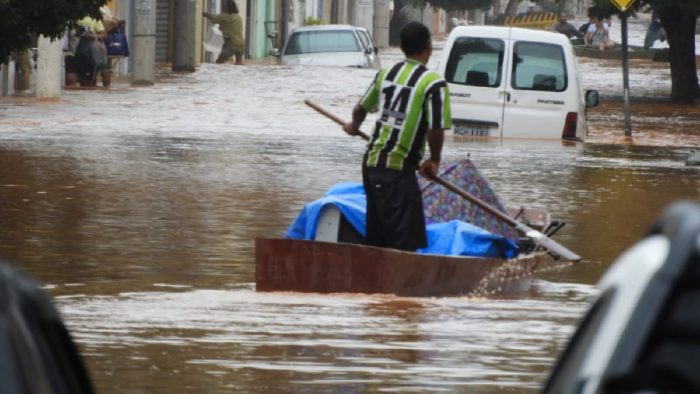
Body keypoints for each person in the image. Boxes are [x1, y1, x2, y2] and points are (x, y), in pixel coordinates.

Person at [342, 21, 452, 252]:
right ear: (429, 47)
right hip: (396, 169)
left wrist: (354, 126)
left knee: (378, 237)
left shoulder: (386, 74)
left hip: (371, 164)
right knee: (405, 243)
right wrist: (434, 160)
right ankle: (396, 285)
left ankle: (375, 283)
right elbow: (436, 127)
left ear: (401, 46)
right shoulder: (433, 83)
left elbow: (360, 109)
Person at [203, 0, 244, 64]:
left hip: (231, 45)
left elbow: (213, 17)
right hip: (240, 44)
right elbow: (233, 28)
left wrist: (203, 13)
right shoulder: (238, 17)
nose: (223, 6)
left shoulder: (224, 17)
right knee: (239, 63)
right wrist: (222, 27)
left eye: (224, 5)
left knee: (219, 62)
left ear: (228, 7)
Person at [74, 16, 111, 87]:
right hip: (80, 53)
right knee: (86, 81)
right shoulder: (75, 17)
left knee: (104, 70)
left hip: (94, 54)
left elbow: (104, 34)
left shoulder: (93, 17)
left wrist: (93, 36)